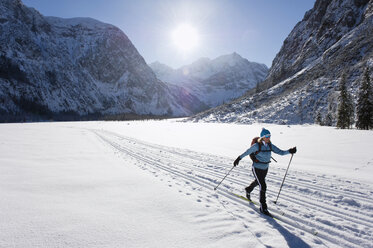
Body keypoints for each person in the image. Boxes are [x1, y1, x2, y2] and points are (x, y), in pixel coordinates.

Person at [233, 128, 296, 216]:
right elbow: (247, 152)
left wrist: (289, 151)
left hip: (265, 168)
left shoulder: (270, 145)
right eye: (266, 136)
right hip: (256, 168)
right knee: (263, 185)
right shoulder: (256, 146)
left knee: (258, 182)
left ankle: (248, 189)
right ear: (262, 137)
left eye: (269, 136)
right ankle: (263, 207)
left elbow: (281, 152)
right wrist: (239, 158)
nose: (268, 138)